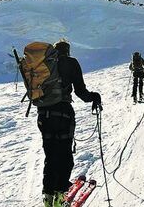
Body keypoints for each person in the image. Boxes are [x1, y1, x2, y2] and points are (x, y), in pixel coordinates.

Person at [38, 40, 102, 206]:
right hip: (64, 115)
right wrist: (94, 97)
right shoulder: (71, 63)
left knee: (50, 157)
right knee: (65, 157)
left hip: (43, 115)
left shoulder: (43, 65)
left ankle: (48, 198)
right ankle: (60, 197)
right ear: (67, 50)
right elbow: (81, 92)